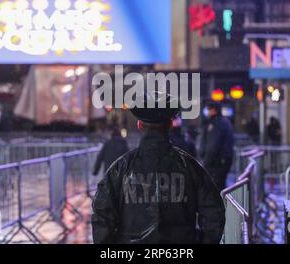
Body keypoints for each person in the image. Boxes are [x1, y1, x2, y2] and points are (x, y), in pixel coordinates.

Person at [92, 92, 225, 244]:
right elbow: (213, 212)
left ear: (140, 125)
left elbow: (102, 216)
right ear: (169, 125)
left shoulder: (120, 168)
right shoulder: (190, 167)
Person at [200, 102, 234, 191]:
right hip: (223, 161)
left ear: (214, 110)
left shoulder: (215, 124)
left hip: (216, 162)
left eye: (209, 110)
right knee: (220, 186)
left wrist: (206, 162)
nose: (208, 112)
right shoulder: (225, 122)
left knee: (214, 188)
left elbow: (213, 145)